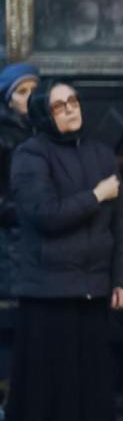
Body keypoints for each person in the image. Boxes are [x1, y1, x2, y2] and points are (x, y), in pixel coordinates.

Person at [6, 82, 123, 421]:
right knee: (51, 394)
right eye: (59, 106)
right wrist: (95, 196)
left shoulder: (101, 154)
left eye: (73, 101)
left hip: (93, 290)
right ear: (43, 114)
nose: (70, 109)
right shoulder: (30, 155)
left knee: (92, 390)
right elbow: (44, 214)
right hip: (49, 296)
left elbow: (122, 221)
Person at [0, 63, 39, 297]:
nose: (30, 97)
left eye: (34, 90)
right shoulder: (3, 136)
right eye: (22, 92)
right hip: (11, 235)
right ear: (9, 100)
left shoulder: (42, 130)